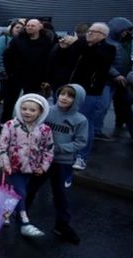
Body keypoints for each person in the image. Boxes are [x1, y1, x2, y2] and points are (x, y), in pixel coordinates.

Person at [25, 84, 87, 245]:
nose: (64, 97)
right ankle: (21, 214)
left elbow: (81, 142)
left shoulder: (80, 120)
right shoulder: (47, 112)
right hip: (41, 160)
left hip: (62, 162)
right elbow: (31, 123)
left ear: (77, 99)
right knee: (31, 187)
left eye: (70, 95)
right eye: (62, 93)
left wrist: (59, 148)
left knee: (61, 194)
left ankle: (62, 225)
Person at [49, 22, 115, 170]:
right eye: (90, 31)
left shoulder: (108, 49)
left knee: (85, 123)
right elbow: (63, 60)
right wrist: (62, 48)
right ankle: (60, 150)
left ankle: (81, 156)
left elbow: (97, 61)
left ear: (104, 36)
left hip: (90, 91)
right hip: (70, 87)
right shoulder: (81, 45)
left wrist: (78, 43)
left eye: (95, 32)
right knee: (62, 120)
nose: (90, 33)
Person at [0, 93, 54, 238]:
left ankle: (4, 212)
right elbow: (2, 145)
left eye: (32, 110)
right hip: (13, 167)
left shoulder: (45, 130)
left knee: (15, 192)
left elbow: (49, 149)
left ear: (40, 112)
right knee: (21, 192)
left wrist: (44, 166)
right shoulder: (11, 125)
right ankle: (25, 223)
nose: (27, 112)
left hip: (32, 168)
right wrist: (5, 163)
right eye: (24, 108)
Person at [2, 19, 53, 124]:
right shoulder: (18, 40)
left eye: (32, 26)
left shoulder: (46, 42)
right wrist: (9, 72)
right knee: (10, 100)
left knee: (30, 102)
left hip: (35, 77)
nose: (29, 27)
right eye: (28, 25)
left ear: (40, 27)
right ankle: (4, 121)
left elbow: (48, 61)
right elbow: (7, 56)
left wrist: (46, 79)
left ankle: (27, 123)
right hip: (15, 75)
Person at [0, 19, 24, 117]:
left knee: (12, 95)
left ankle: (6, 116)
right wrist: (1, 70)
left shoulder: (22, 40)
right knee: (4, 92)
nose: (19, 30)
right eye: (17, 27)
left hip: (16, 73)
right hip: (5, 71)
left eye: (21, 28)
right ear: (12, 28)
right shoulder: (4, 38)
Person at [106, 17, 133, 139]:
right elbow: (105, 63)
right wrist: (116, 74)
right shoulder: (110, 44)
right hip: (111, 80)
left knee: (124, 103)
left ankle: (122, 123)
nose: (126, 33)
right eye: (125, 30)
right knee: (103, 107)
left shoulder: (122, 43)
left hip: (121, 80)